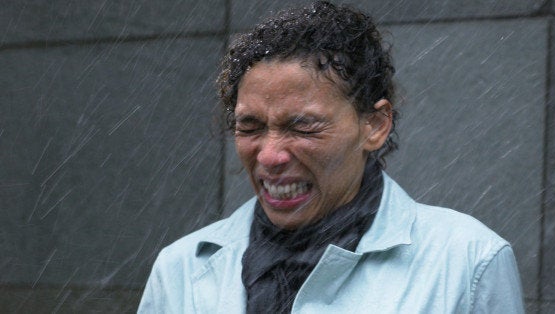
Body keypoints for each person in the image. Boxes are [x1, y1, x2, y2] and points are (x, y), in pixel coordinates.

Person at [138, 1, 524, 313]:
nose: (270, 155)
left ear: (374, 125)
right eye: (251, 127)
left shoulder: (467, 263)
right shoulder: (180, 269)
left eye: (303, 126)